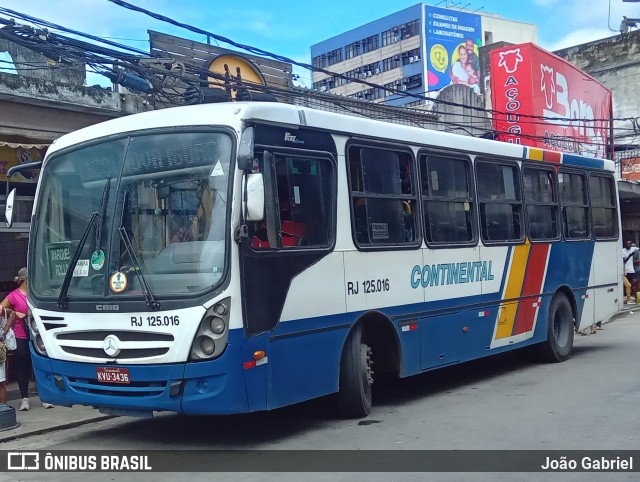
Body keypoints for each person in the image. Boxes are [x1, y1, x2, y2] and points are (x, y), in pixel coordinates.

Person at [0, 268, 54, 410]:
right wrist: (14, 312)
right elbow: (1, 308)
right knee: (23, 364)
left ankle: (45, 397)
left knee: (40, 364)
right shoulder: (14, 295)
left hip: (38, 334)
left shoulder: (36, 294)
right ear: (26, 280)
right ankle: (24, 399)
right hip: (21, 334)